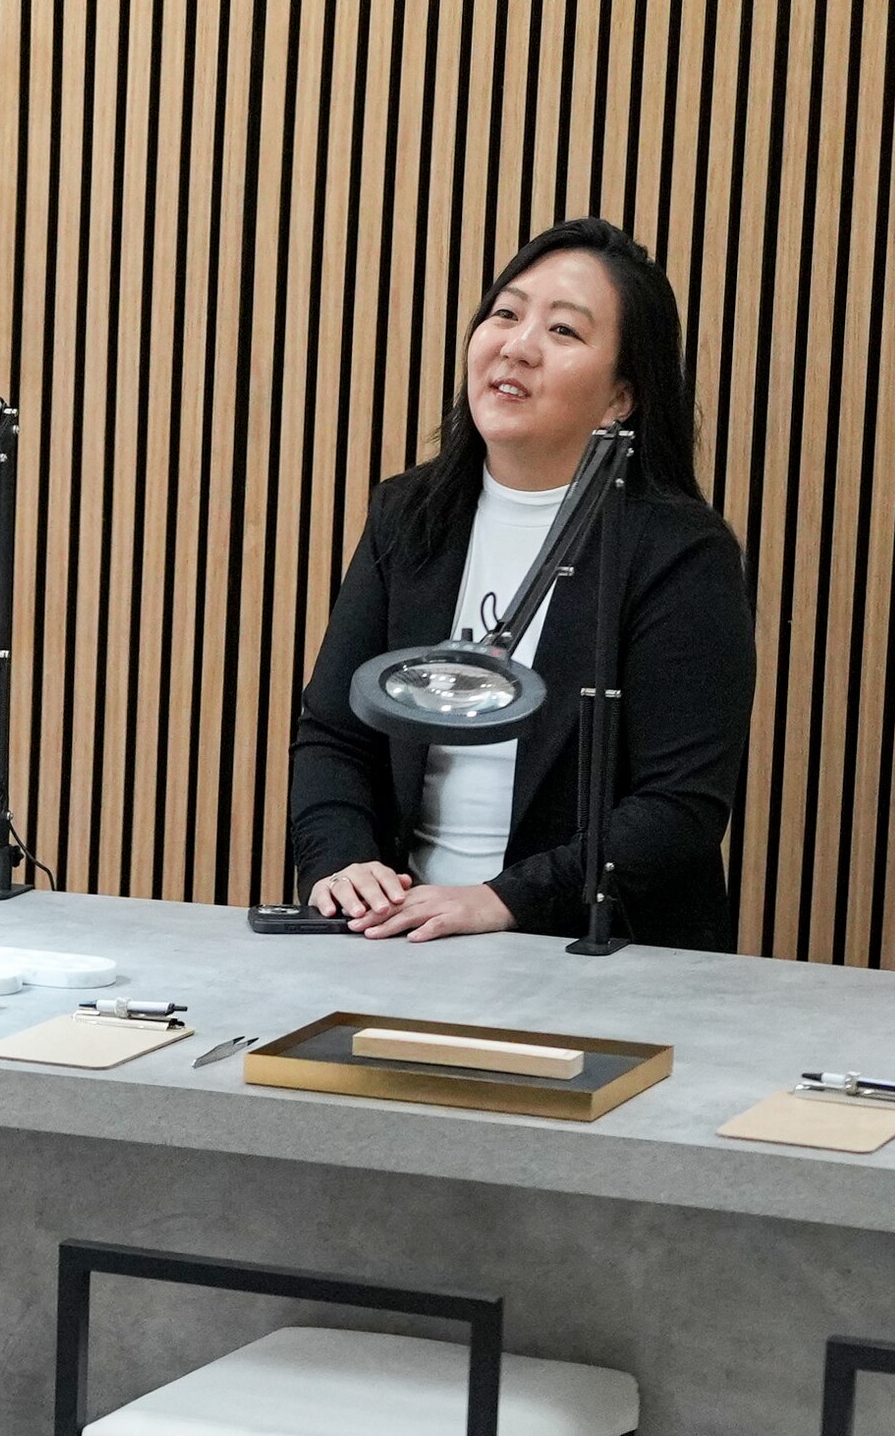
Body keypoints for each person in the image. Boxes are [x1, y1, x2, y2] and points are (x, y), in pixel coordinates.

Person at [287, 218, 752, 948]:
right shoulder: (409, 516)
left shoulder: (679, 553)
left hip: (587, 951)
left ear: (621, 396)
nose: (518, 345)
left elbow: (678, 806)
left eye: (563, 330)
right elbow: (334, 735)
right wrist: (342, 865)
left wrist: (500, 901)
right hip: (402, 936)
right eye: (505, 313)